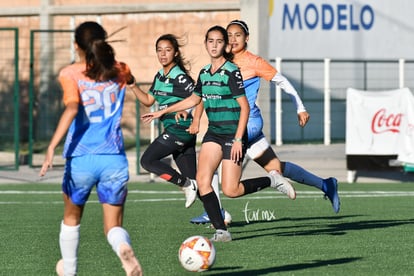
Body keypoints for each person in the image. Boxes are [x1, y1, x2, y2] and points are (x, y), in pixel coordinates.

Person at [141, 25, 294, 242]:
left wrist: (240, 138)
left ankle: (272, 181)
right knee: (203, 182)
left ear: (225, 45)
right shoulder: (204, 73)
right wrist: (162, 112)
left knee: (231, 190)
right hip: (213, 134)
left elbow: (245, 107)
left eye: (219, 41)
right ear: (205, 44)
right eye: (210, 41)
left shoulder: (231, 71)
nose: (214, 45)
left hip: (232, 135)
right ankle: (221, 231)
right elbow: (194, 100)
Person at [190, 19, 341, 224]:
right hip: (239, 125)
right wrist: (195, 116)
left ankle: (215, 211)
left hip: (246, 124)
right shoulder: (219, 63)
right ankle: (325, 184)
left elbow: (282, 81)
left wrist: (300, 107)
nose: (233, 39)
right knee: (276, 167)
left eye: (238, 35)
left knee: (218, 159)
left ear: (247, 38)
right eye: (230, 35)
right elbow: (205, 93)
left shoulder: (254, 62)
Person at [39, 21, 142, 276]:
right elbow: (128, 78)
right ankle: (122, 248)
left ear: (77, 46)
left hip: (81, 160)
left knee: (71, 219)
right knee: (113, 226)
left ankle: (70, 270)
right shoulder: (120, 69)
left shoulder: (70, 73)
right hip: (114, 160)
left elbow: (72, 108)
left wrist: (52, 146)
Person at [128, 34, 200, 208]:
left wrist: (193, 117)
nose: (163, 54)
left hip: (180, 129)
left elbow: (200, 96)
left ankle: (184, 184)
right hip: (176, 131)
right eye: (159, 50)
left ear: (175, 53)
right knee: (197, 183)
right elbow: (148, 100)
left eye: (168, 50)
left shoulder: (179, 76)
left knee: (147, 161)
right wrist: (132, 85)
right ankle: (219, 216)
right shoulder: (160, 75)